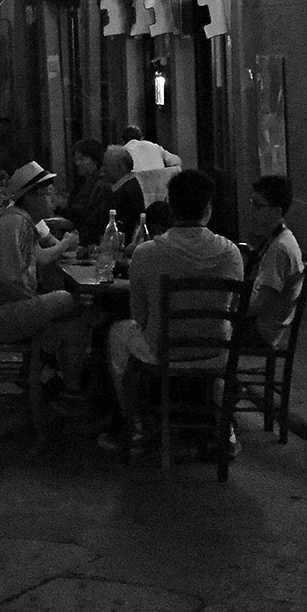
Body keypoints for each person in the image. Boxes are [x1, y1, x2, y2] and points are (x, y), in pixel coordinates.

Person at [101, 168, 243, 451]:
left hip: (162, 350)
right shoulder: (230, 253)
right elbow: (233, 308)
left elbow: (139, 315)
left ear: (170, 206)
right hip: (215, 350)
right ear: (208, 209)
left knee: (118, 333)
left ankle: (136, 425)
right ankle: (222, 428)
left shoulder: (147, 253)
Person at [0, 161, 88, 410]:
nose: (54, 199)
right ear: (30, 197)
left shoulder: (19, 221)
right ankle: (65, 383)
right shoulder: (16, 224)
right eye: (48, 193)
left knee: (68, 315)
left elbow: (36, 261)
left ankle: (57, 379)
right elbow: (11, 280)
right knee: (67, 300)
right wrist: (36, 301)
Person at [245, 175, 305, 350]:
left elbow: (260, 304)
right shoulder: (278, 238)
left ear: (277, 211)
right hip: (262, 328)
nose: (252, 210)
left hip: (261, 333)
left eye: (258, 206)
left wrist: (229, 312)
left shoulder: (279, 248)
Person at [63, 137, 113, 246]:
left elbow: (92, 221)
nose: (77, 163)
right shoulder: (82, 183)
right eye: (76, 159)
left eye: (82, 159)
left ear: (95, 160)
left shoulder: (100, 185)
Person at [122, 123, 181, 205]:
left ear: (122, 140)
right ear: (142, 137)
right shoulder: (154, 146)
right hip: (161, 191)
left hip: (138, 195)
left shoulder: (123, 151)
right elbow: (176, 161)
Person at [102, 145, 146, 244]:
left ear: (120, 167)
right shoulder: (126, 187)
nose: (103, 169)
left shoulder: (127, 191)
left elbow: (124, 227)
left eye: (106, 165)